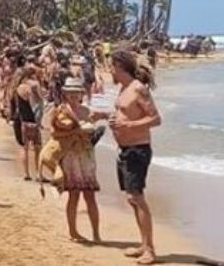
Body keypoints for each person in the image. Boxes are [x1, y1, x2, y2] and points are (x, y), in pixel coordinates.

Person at [107, 50, 162, 265]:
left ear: (120, 66)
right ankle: (143, 244)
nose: (110, 70)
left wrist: (129, 125)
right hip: (124, 149)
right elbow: (125, 114)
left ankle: (150, 250)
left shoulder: (138, 88)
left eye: (111, 66)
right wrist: (108, 118)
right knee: (131, 199)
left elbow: (156, 119)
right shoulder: (124, 88)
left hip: (137, 149)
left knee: (137, 198)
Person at [50, 78, 101, 243]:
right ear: (65, 94)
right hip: (70, 156)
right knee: (74, 195)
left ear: (81, 94)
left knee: (90, 196)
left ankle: (96, 234)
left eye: (76, 93)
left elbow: (93, 132)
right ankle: (73, 232)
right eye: (70, 93)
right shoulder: (60, 110)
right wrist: (75, 132)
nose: (73, 95)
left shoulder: (87, 111)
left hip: (86, 155)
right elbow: (54, 134)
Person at [11, 65, 43, 181]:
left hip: (20, 120)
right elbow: (35, 105)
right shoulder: (31, 88)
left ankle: (26, 173)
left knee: (24, 148)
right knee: (37, 147)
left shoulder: (17, 88)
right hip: (31, 120)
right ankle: (38, 174)